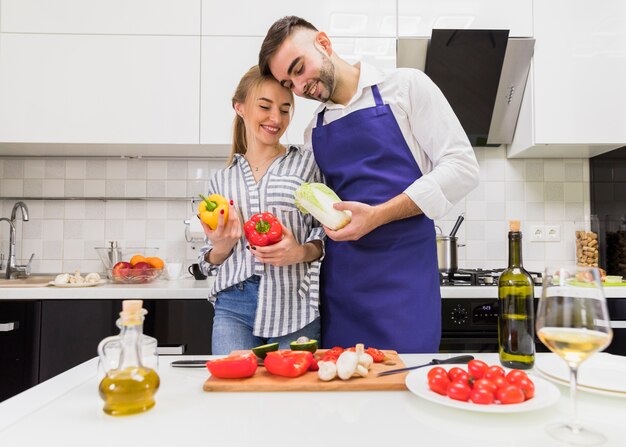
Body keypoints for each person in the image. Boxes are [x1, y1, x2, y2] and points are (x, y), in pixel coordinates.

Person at [258, 17, 480, 353]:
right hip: (343, 289)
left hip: (405, 283)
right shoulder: (312, 132)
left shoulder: (405, 87)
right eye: (289, 83)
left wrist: (378, 215)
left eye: (299, 68)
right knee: (346, 395)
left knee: (405, 386)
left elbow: (463, 168)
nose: (300, 87)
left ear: (323, 42)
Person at [197, 65, 325, 355]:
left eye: (285, 109)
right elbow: (208, 262)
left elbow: (327, 230)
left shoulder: (307, 164)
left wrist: (300, 252)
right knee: (233, 395)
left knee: (292, 398)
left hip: (295, 304)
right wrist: (220, 247)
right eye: (265, 107)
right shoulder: (222, 178)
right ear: (240, 107)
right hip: (234, 304)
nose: (275, 119)